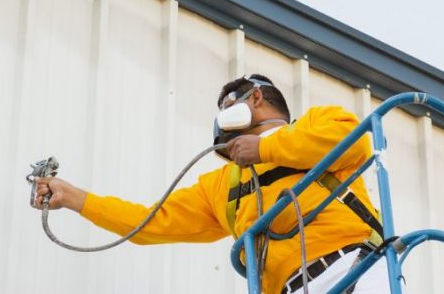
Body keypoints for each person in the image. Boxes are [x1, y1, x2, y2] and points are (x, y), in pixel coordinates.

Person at [33, 74, 390, 294]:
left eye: (227, 105)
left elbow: (354, 141)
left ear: (256, 98)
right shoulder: (223, 184)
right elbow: (150, 222)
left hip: (356, 267)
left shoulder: (315, 122)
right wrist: (76, 198)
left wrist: (265, 147)